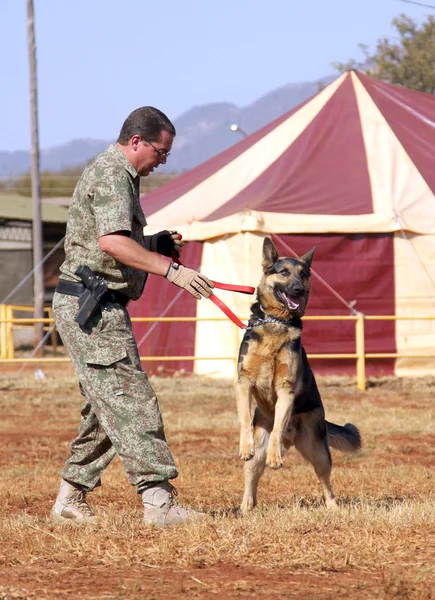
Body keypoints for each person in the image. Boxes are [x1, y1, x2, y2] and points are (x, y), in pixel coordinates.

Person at [51, 106, 214, 526]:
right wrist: (173, 271)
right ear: (137, 141)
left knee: (109, 406)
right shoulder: (112, 173)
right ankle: (159, 503)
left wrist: (154, 242)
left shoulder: (122, 176)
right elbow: (112, 244)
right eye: (161, 152)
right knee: (134, 402)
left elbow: (117, 239)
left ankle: (70, 499)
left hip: (97, 304)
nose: (162, 161)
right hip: (93, 307)